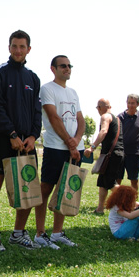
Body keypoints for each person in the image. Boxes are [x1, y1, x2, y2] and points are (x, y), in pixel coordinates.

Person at [0, 30, 42, 250]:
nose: (18, 50)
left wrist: (33, 136)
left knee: (28, 186)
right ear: (9, 48)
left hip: (26, 142)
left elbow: (37, 111)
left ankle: (18, 233)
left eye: (22, 46)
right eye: (14, 46)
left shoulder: (33, 78)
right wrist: (11, 134)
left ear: (28, 49)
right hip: (2, 138)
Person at [35, 55, 85, 249]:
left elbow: (80, 119)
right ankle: (40, 233)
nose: (67, 69)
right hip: (56, 147)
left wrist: (78, 141)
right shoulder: (47, 89)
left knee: (65, 190)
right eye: (63, 66)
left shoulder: (73, 92)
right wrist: (70, 144)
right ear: (53, 69)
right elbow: (53, 117)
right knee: (46, 189)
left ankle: (57, 233)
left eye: (69, 66)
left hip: (75, 149)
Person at [84, 99, 124, 215]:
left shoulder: (105, 117)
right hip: (116, 153)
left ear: (99, 108)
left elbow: (103, 131)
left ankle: (132, 203)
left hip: (111, 154)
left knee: (110, 182)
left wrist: (92, 147)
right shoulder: (117, 119)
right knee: (102, 181)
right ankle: (100, 209)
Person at [117, 94, 139, 192]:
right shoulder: (120, 117)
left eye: (133, 103)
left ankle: (133, 202)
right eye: (129, 103)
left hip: (135, 153)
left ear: (138, 104)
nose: (130, 105)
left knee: (134, 179)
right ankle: (116, 203)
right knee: (117, 179)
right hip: (120, 152)